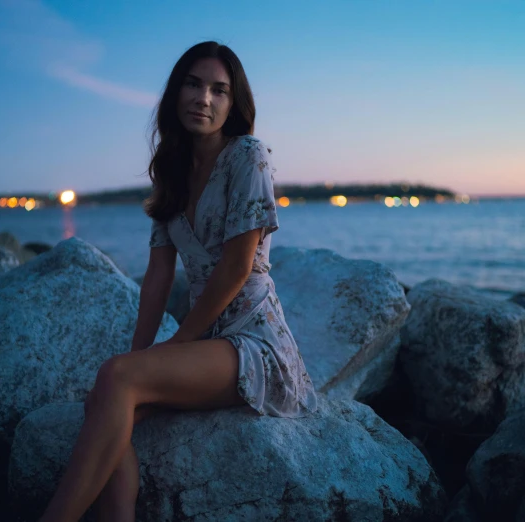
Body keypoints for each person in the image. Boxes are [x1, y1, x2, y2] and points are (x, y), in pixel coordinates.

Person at [38, 41, 318, 522]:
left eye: (218, 89)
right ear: (175, 93)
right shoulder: (170, 174)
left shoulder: (248, 156)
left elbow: (236, 267)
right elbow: (157, 278)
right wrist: (139, 355)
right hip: (208, 343)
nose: (203, 98)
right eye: (193, 84)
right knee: (108, 397)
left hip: (256, 345)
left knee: (118, 381)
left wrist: (174, 345)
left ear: (234, 104)